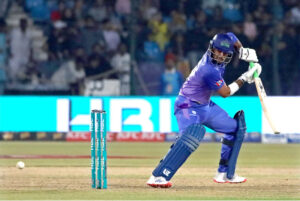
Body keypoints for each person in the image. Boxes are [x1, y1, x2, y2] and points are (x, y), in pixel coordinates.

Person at [146, 32, 262, 188]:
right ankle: (158, 176)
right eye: (218, 51)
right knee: (190, 136)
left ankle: (225, 174)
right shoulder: (209, 69)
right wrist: (245, 77)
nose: (220, 55)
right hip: (187, 105)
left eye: (224, 52)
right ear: (212, 48)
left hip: (205, 106)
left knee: (236, 128)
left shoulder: (223, 47)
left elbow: (231, 36)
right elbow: (225, 93)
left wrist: (244, 52)